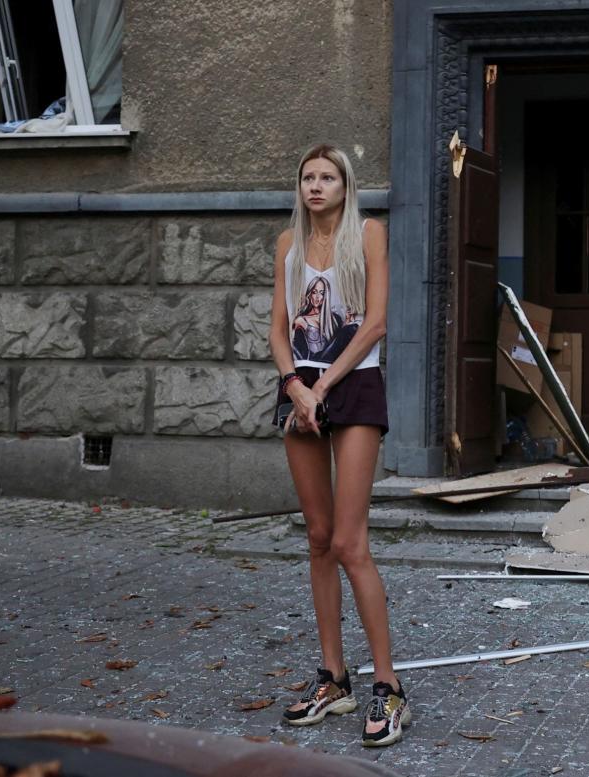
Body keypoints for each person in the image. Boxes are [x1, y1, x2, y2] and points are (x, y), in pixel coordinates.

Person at [268, 143, 408, 747]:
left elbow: (375, 321)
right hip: (301, 389)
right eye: (308, 177)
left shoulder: (368, 235)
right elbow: (277, 329)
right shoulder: (287, 245)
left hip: (353, 388)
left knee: (351, 542)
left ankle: (389, 686)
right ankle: (334, 677)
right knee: (319, 539)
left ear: (346, 187)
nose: (316, 186)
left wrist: (323, 386)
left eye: (327, 177)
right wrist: (296, 387)